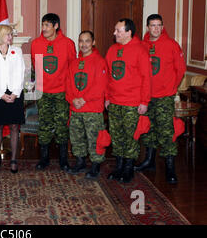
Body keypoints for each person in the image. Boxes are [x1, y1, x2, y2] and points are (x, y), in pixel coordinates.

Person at [135, 14, 186, 184]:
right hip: (146, 96)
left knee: (166, 131)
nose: (156, 28)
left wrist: (171, 87)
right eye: (152, 25)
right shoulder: (142, 46)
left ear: (162, 27)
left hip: (164, 96)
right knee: (148, 129)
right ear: (147, 27)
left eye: (159, 25)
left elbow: (180, 70)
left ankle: (170, 167)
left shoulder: (171, 45)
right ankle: (149, 161)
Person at [105, 18, 152, 184]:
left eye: (118, 30)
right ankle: (118, 167)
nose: (114, 33)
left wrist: (144, 101)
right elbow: (108, 77)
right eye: (115, 30)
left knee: (130, 137)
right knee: (116, 136)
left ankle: (128, 169)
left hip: (133, 103)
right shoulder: (112, 50)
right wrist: (107, 98)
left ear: (128, 32)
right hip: (115, 102)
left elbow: (147, 78)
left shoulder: (140, 50)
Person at [31, 13, 76, 171]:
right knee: (44, 125)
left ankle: (63, 159)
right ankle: (44, 159)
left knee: (62, 126)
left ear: (56, 26)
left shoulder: (67, 43)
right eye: (42, 25)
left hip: (62, 92)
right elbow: (36, 67)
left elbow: (72, 68)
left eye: (47, 25)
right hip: (43, 92)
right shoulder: (36, 43)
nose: (44, 29)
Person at [65, 31, 108, 179]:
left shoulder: (99, 61)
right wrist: (72, 100)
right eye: (81, 41)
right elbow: (69, 84)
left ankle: (95, 165)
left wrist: (84, 99)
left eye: (87, 41)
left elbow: (100, 85)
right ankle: (80, 162)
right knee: (77, 137)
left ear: (93, 42)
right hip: (76, 108)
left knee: (94, 138)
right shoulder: (74, 63)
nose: (84, 44)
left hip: (92, 108)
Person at [0, 25, 25, 173]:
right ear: (0, 35)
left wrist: (15, 93)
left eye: (11, 35)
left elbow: (20, 73)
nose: (10, 37)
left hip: (15, 93)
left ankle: (14, 160)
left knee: (15, 126)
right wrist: (1, 94)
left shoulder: (17, 51)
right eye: (7, 34)